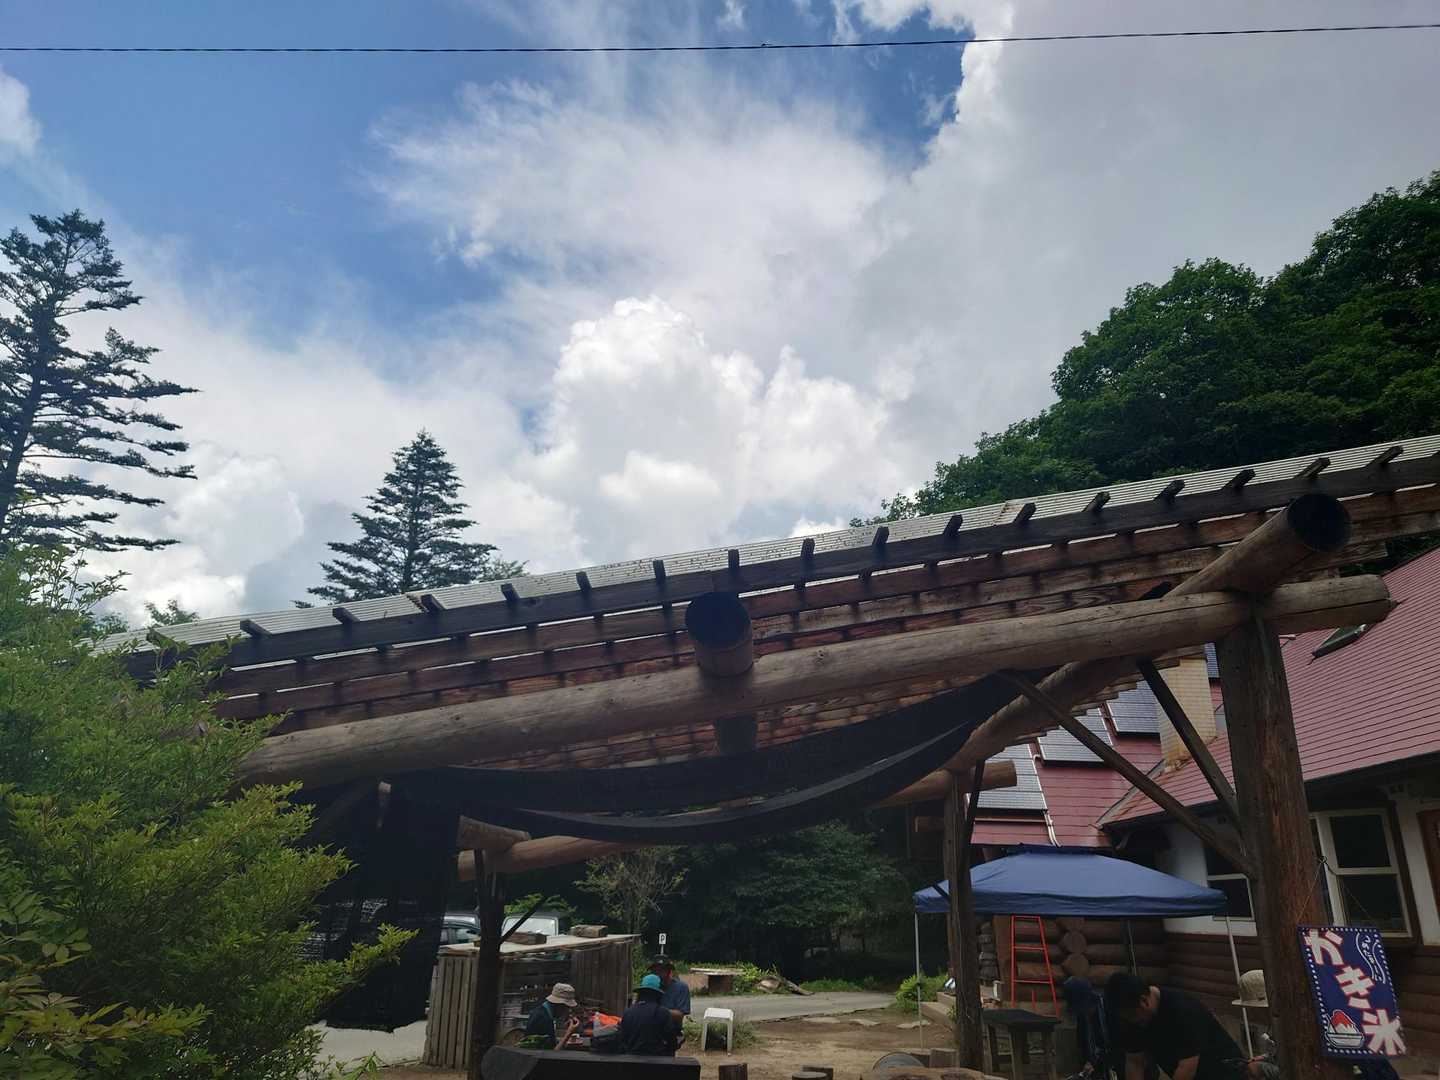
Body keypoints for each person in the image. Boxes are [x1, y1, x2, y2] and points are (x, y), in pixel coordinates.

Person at [1105, 973, 1255, 1080]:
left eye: (1132, 1016)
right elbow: (1135, 1062)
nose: (1131, 1022)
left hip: (1225, 1072)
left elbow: (1187, 1067)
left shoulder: (1182, 1010)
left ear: (1144, 1001)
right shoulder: (1132, 1017)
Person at [619, 973, 678, 1057]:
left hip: (631, 1060)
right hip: (658, 1061)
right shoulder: (663, 1013)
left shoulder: (628, 1012)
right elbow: (672, 1043)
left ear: (641, 993)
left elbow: (622, 1040)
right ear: (658, 994)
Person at [523, 982, 580, 1050]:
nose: (568, 1011)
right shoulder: (542, 1019)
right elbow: (552, 1054)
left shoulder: (543, 1011)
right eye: (566, 1007)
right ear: (559, 1004)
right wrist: (569, 1033)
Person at [650, 956, 692, 1027]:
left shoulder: (681, 987)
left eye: (661, 971)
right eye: (654, 971)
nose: (657, 974)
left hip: (672, 1030)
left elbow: (680, 1014)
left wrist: (657, 1010)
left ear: (669, 971)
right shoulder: (650, 987)